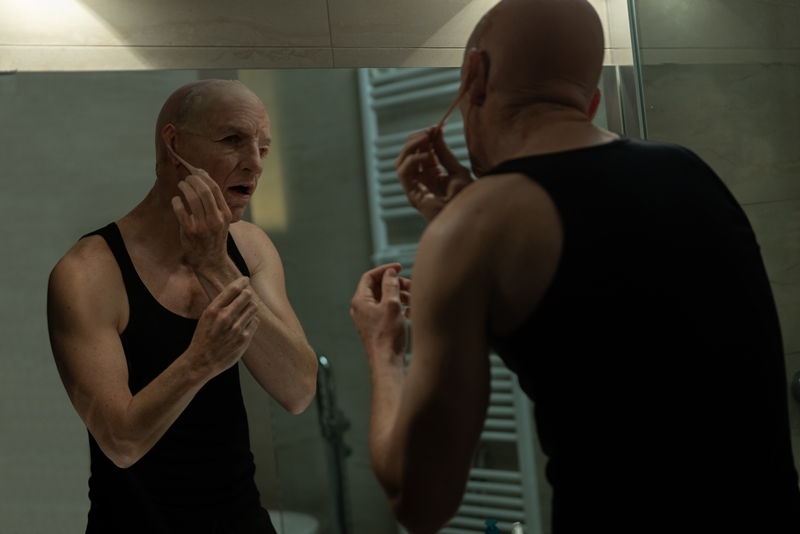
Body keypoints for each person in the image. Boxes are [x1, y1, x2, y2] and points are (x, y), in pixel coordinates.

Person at [349, 0, 800, 532]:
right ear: (591, 101)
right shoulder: (690, 171)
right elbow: (611, 340)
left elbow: (419, 501)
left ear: (475, 75)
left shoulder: (474, 227)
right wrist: (467, 220)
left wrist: (383, 348)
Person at [47, 79, 318, 534]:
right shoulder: (88, 273)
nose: (254, 164)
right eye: (232, 139)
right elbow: (121, 442)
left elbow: (299, 390)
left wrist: (214, 266)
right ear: (174, 146)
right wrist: (201, 361)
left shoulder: (250, 248)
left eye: (262, 148)